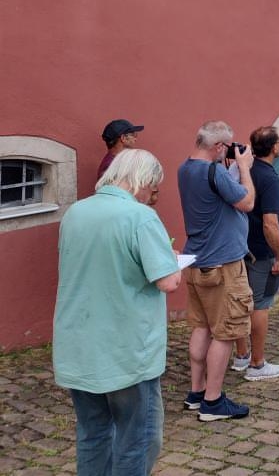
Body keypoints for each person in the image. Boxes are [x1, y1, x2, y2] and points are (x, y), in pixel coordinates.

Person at [53, 149, 181, 476]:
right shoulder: (139, 217)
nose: (153, 194)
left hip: (78, 343)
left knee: (93, 433)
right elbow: (167, 281)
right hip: (126, 348)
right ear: (142, 179)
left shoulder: (75, 213)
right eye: (153, 186)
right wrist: (171, 258)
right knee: (138, 437)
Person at [177, 120, 255, 421]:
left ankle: (196, 393)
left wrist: (228, 168)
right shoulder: (213, 171)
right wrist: (245, 168)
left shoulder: (186, 169)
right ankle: (213, 401)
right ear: (219, 147)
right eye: (228, 146)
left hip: (196, 262)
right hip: (224, 266)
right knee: (225, 332)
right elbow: (247, 202)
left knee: (201, 327)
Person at [232, 126, 279, 380]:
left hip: (237, 246)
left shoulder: (243, 168)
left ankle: (241, 356)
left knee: (241, 302)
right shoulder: (270, 178)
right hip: (260, 251)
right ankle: (257, 363)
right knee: (260, 304)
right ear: (274, 147)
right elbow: (270, 224)